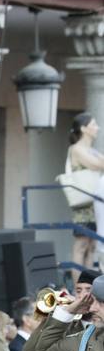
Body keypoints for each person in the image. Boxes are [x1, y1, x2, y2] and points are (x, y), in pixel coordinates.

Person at [66, 113, 104, 273]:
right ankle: (78, 289)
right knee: (82, 244)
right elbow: (97, 165)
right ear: (84, 129)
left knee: (92, 245)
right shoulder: (76, 149)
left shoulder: (91, 150)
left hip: (95, 203)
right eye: (94, 124)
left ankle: (88, 287)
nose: (97, 128)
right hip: (83, 203)